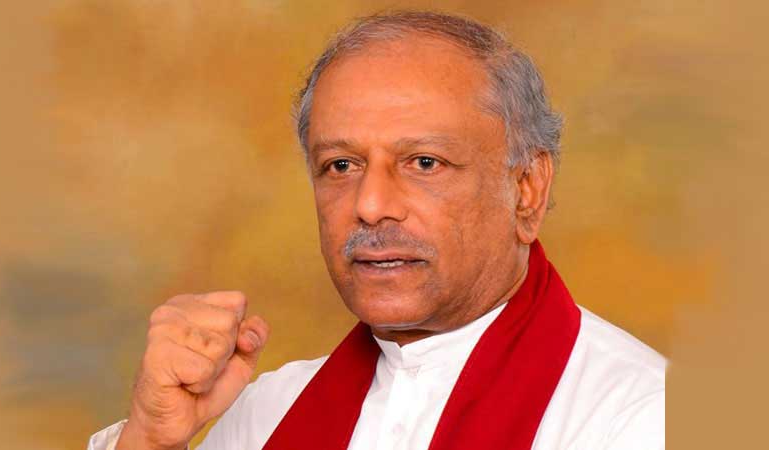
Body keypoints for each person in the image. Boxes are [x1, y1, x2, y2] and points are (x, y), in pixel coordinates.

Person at [89, 10, 665, 450]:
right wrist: (149, 440)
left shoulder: (641, 415)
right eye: (341, 165)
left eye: (424, 163)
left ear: (527, 188)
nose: (369, 205)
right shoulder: (264, 414)